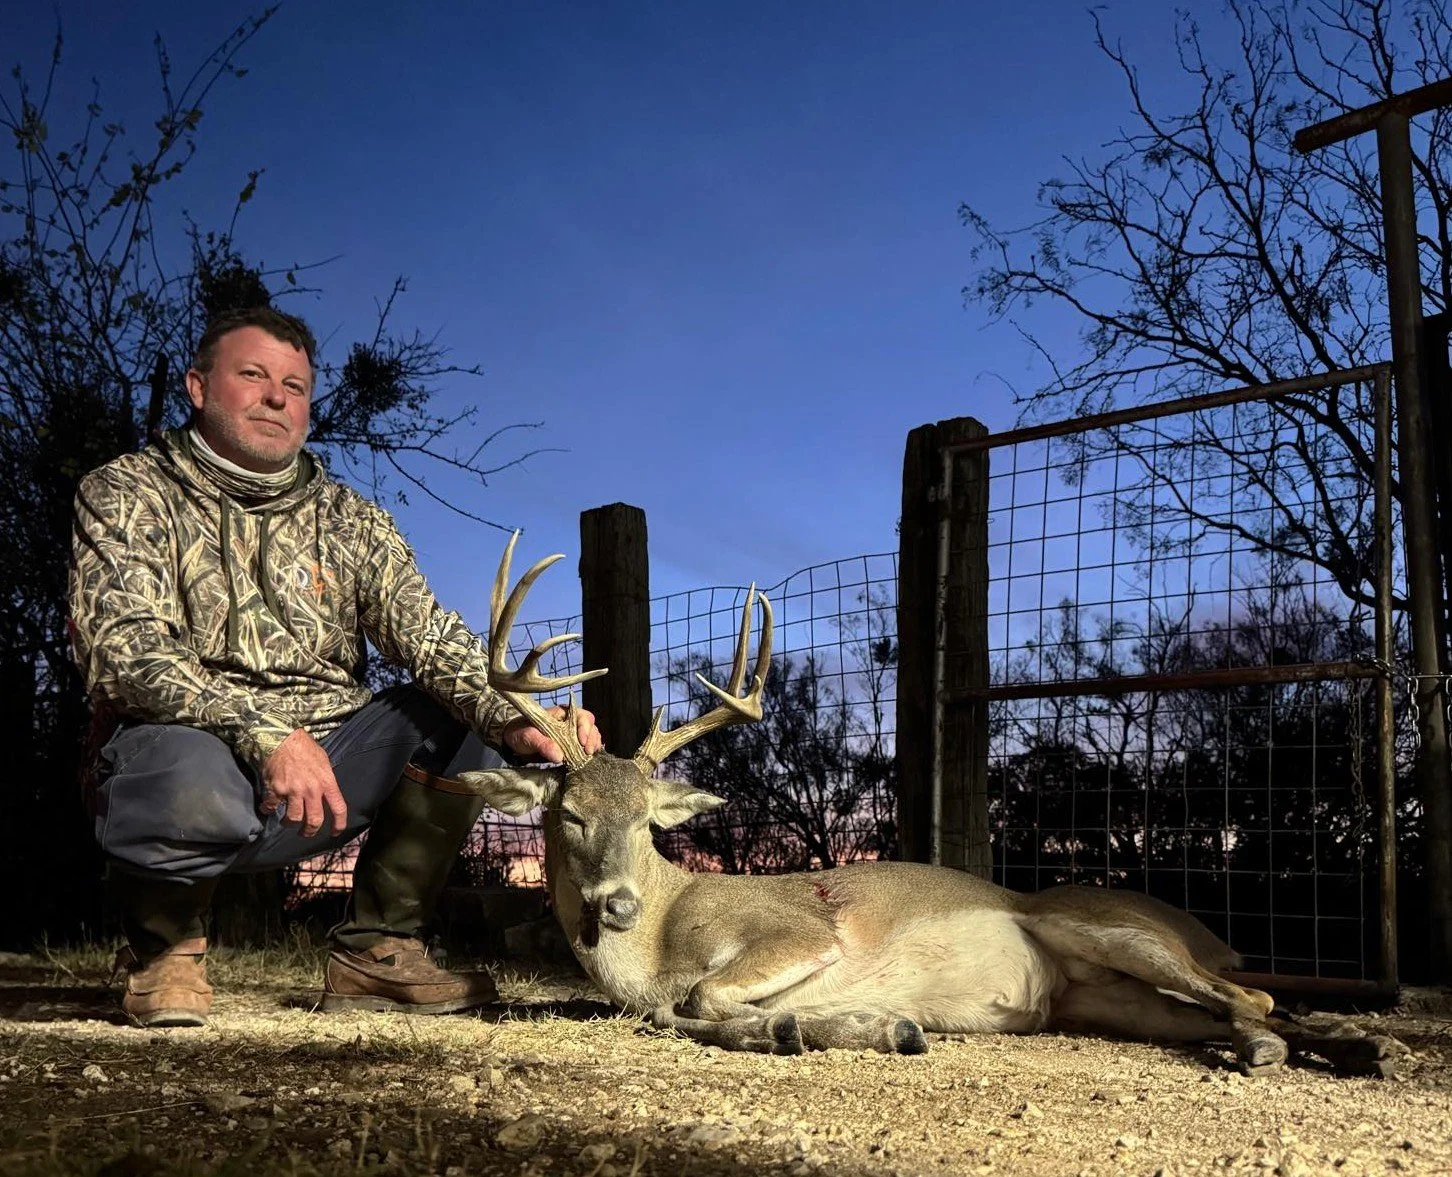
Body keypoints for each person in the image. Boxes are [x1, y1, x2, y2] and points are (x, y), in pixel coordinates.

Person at [68, 305, 601, 1027]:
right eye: (252, 375)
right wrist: (266, 733)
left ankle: (377, 948)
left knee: (462, 712)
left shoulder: (353, 519)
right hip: (186, 755)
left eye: (294, 384)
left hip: (328, 769)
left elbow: (432, 639)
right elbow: (122, 650)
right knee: (185, 767)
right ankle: (165, 949)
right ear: (198, 386)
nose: (276, 397)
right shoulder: (126, 490)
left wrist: (522, 717)